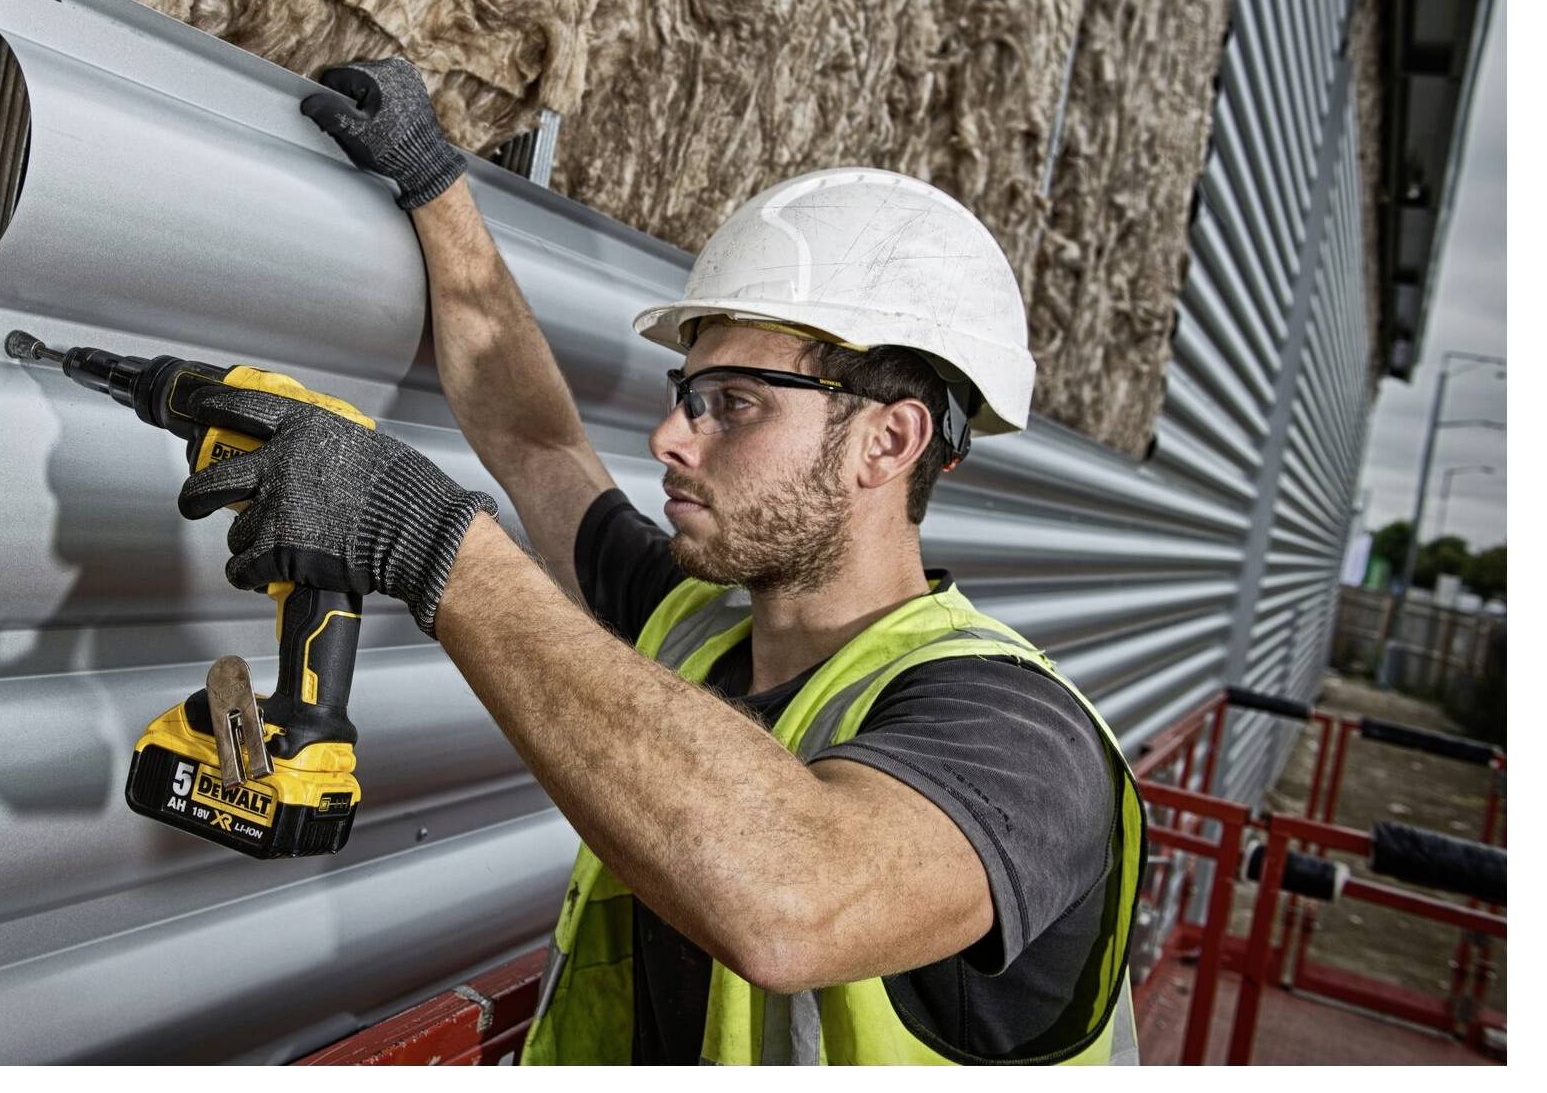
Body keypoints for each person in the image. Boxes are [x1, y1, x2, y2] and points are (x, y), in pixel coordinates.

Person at [174, 58, 1145, 1065]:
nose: (671, 442)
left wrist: (437, 548)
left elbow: (794, 900)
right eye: (690, 396)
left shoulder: (1021, 737)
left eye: (736, 404)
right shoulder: (691, 626)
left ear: (886, 444)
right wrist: (434, 185)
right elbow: (536, 442)